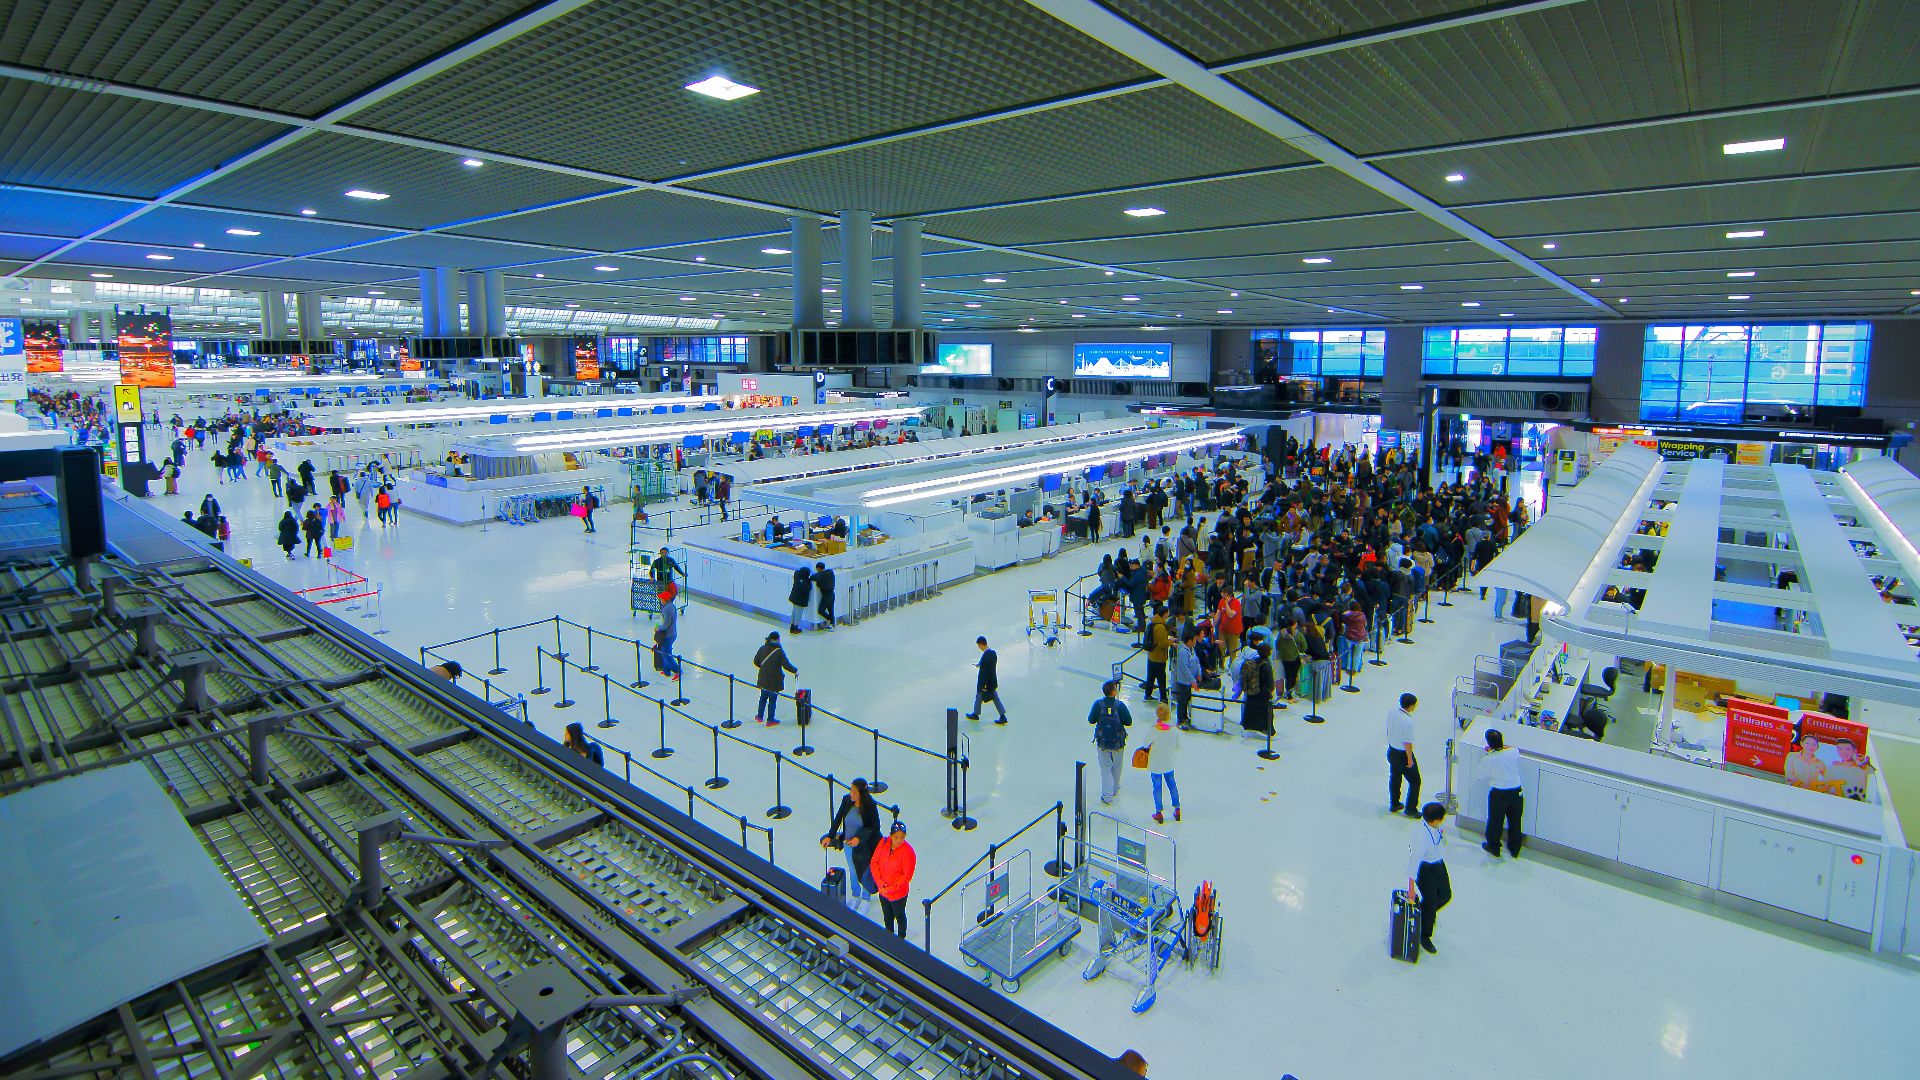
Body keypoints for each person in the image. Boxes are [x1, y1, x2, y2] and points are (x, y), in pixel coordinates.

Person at [825, 778, 882, 911]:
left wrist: (859, 838)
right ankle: (856, 895)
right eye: (851, 790)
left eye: (854, 792)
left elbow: (874, 828)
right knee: (852, 869)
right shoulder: (847, 801)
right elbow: (838, 818)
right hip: (848, 844)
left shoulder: (870, 807)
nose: (851, 794)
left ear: (861, 793)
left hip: (863, 847)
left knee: (865, 871)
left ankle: (866, 898)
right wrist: (830, 835)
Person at [1407, 801, 1451, 954]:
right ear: (1434, 820)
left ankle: (1425, 914)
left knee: (1445, 895)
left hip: (1438, 864)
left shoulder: (1434, 827)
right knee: (1431, 902)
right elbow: (1413, 861)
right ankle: (1424, 935)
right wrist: (1411, 888)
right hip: (1425, 870)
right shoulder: (1421, 836)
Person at [866, 820, 917, 937]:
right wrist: (879, 884)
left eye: (902, 837)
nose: (899, 841)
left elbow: (906, 876)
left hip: (898, 894)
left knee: (899, 916)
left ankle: (901, 939)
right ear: (891, 836)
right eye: (896, 837)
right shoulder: (883, 843)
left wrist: (890, 889)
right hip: (883, 891)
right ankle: (889, 937)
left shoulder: (908, 852)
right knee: (887, 916)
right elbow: (874, 862)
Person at [1480, 727, 1524, 858]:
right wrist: (1497, 747)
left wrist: (1490, 751)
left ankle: (1493, 847)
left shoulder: (1488, 759)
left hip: (1499, 793)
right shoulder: (1513, 752)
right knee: (1515, 821)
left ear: (1488, 743)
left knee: (1495, 821)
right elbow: (1510, 748)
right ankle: (1515, 849)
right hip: (1516, 792)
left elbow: (1480, 775)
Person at [1088, 680, 1132, 805]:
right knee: (1117, 766)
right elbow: (1128, 722)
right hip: (1118, 743)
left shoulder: (1098, 704)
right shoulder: (1120, 706)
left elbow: (1091, 720)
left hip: (1103, 743)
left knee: (1105, 768)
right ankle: (1114, 788)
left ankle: (1106, 796)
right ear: (1114, 692)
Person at [752, 631, 796, 725]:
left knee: (763, 697)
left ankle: (759, 716)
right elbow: (786, 665)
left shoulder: (763, 648)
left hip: (763, 678)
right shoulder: (779, 651)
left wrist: (764, 668)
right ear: (777, 639)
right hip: (775, 680)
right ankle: (770, 720)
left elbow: (756, 661)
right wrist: (795, 671)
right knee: (772, 699)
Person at [1387, 692, 1421, 817]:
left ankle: (1394, 803)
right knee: (1415, 781)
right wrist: (1410, 759)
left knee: (1395, 777)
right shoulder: (1408, 722)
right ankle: (1411, 808)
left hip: (1392, 750)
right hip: (1402, 754)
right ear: (1411, 706)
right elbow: (1407, 743)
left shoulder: (1392, 713)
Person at [1148, 701, 1181, 824]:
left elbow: (1145, 743)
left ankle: (1158, 812)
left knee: (1157, 787)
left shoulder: (1153, 730)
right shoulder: (1174, 730)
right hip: (1168, 762)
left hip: (1155, 763)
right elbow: (1177, 746)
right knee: (1172, 785)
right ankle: (1177, 809)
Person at [966, 636, 1007, 724]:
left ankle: (976, 714)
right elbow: (988, 666)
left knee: (980, 696)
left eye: (978, 645)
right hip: (992, 681)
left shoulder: (986, 655)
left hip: (985, 683)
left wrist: (984, 685)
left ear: (981, 644)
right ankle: (1001, 715)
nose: (979, 647)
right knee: (993, 698)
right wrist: (980, 664)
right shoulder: (992, 653)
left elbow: (985, 671)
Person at [1170, 626, 1200, 730]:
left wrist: (1199, 673)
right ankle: (1180, 720)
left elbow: (1196, 660)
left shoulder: (1191, 649)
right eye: (1194, 640)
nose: (1196, 642)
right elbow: (1184, 668)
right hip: (1183, 682)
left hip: (1191, 681)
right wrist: (1192, 680)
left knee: (1187, 700)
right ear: (1189, 641)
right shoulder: (1182, 651)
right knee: (1182, 702)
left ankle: (1185, 717)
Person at [1141, 604, 1170, 703]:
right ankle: (1163, 697)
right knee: (1161, 678)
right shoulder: (1160, 627)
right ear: (1165, 614)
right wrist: (1170, 642)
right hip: (1159, 657)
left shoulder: (1153, 622)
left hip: (1151, 655)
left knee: (1150, 677)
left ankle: (1148, 694)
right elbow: (1162, 644)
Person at [787, 565, 812, 633]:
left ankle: (791, 626)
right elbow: (809, 588)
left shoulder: (797, 575)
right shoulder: (806, 582)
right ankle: (796, 627)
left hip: (794, 598)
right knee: (798, 615)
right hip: (800, 601)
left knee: (794, 612)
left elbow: (796, 572)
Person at [812, 561, 836, 630]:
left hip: (826, 595)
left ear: (818, 568)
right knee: (831, 609)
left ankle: (831, 620)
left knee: (821, 610)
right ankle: (832, 623)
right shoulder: (830, 573)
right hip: (832, 593)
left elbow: (812, 577)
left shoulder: (820, 575)